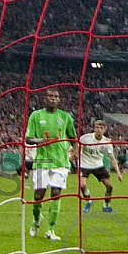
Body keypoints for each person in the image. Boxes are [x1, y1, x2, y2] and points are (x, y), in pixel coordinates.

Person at [25, 88, 77, 241]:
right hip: (42, 160)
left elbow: (73, 137)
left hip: (60, 161)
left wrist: (74, 151)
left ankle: (50, 230)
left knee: (56, 194)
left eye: (56, 96)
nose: (53, 99)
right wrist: (39, 141)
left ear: (59, 100)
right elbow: (28, 138)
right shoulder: (36, 115)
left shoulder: (65, 117)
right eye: (50, 96)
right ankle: (36, 220)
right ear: (45, 98)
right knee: (38, 195)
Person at [71, 119, 123, 212]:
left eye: (101, 128)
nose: (99, 129)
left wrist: (118, 173)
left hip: (98, 165)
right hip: (84, 165)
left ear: (104, 130)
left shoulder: (107, 142)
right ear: (94, 128)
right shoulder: (85, 138)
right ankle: (89, 201)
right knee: (82, 185)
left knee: (110, 186)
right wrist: (72, 155)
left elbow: (112, 158)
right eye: (97, 127)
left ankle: (106, 206)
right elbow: (75, 147)